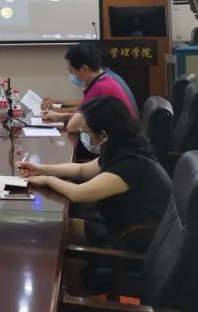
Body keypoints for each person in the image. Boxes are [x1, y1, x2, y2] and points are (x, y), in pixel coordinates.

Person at [17, 96, 172, 248]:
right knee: (60, 224)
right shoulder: (122, 146)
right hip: (124, 219)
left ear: (103, 135)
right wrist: (41, 169)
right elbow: (82, 170)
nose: (84, 134)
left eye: (87, 131)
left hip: (135, 236)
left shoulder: (131, 164)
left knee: (60, 229)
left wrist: (48, 180)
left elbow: (78, 194)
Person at [42, 42, 137, 133]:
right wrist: (61, 116)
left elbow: (72, 126)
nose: (72, 75)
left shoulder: (99, 87)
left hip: (121, 140)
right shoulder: (104, 81)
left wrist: (62, 116)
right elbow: (84, 114)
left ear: (84, 69)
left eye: (72, 71)